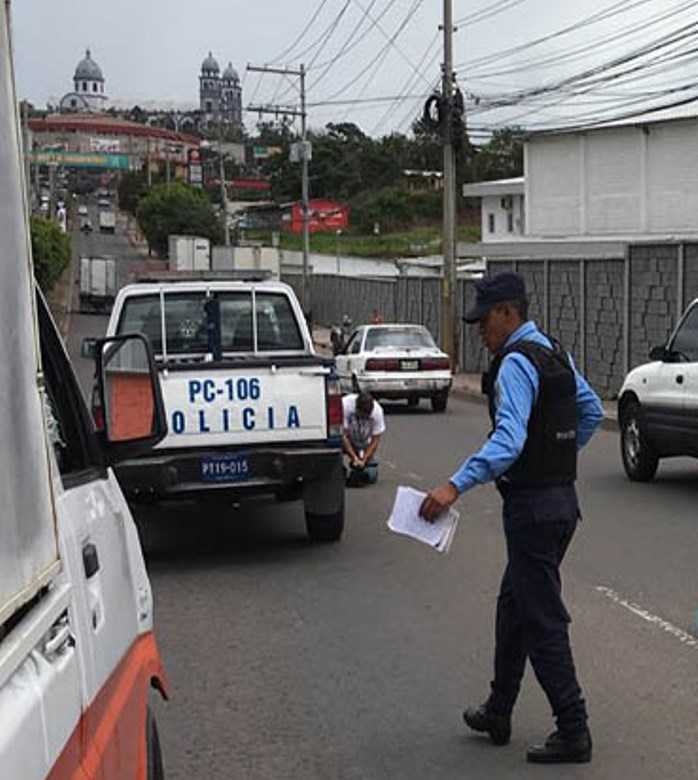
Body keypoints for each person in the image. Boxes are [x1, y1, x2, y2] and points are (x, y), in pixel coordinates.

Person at [420, 272, 603, 765]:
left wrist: (453, 486)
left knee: (541, 618)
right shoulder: (552, 353)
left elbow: (507, 441)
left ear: (507, 312)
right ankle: (499, 709)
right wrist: (556, 460)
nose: (481, 331)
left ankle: (574, 728)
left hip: (533, 509)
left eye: (484, 321)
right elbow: (587, 411)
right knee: (513, 606)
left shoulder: (517, 364)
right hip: (561, 503)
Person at [342, 391, 385, 486]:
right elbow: (343, 436)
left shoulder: (377, 412)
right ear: (357, 408)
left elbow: (375, 440)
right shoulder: (345, 405)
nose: (364, 418)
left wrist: (364, 459)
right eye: (362, 415)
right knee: (338, 477)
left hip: (363, 443)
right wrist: (353, 457)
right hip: (345, 440)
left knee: (370, 476)